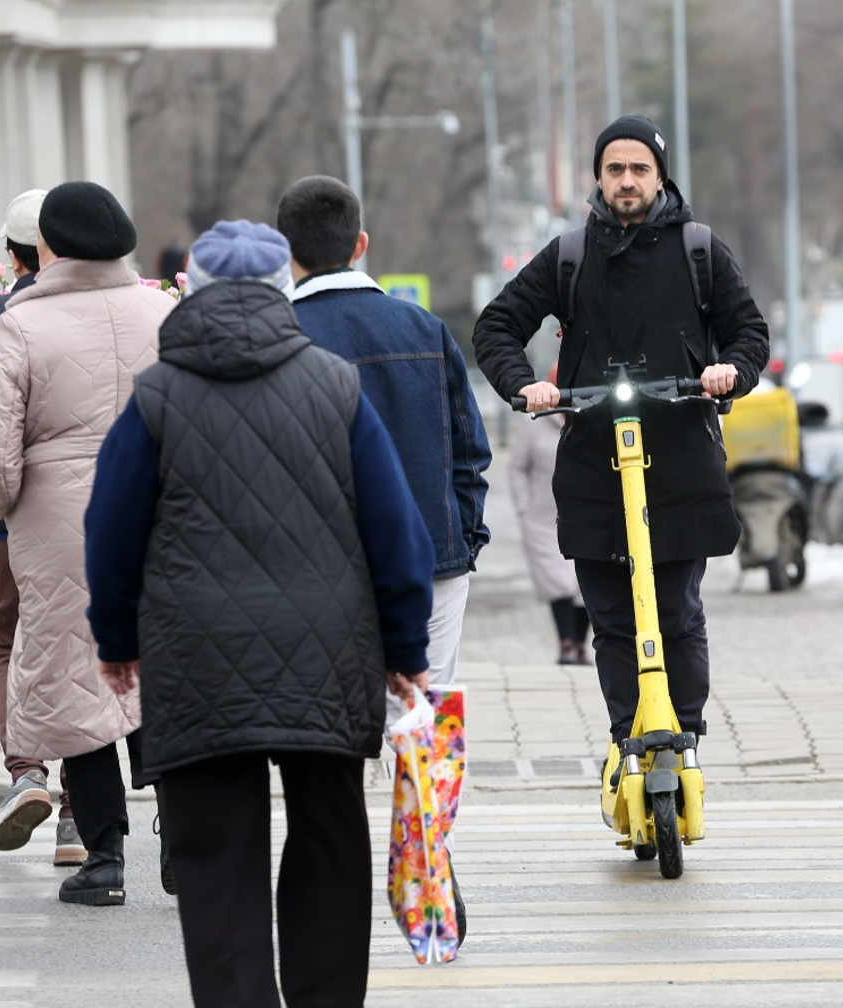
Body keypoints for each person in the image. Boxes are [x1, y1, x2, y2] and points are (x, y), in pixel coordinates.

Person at [83, 220, 434, 1008]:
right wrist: (405, 646)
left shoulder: (156, 396)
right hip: (330, 655)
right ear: (286, 290)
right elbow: (395, 529)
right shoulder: (336, 386)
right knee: (329, 844)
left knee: (216, 857)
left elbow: (109, 531)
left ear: (192, 291)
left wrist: (117, 638)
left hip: (196, 658)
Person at [473, 114, 770, 764]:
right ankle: (626, 741)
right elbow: (496, 326)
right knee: (610, 619)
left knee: (677, 613)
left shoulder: (699, 250)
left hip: (681, 460)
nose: (627, 180)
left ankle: (683, 738)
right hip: (594, 463)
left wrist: (730, 372)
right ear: (599, 178)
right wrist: (525, 387)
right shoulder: (570, 256)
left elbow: (749, 331)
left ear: (660, 175)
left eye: (640, 168)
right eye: (615, 169)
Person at [0, 181, 175, 906]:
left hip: (59, 527)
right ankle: (181, 844)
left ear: (48, 247)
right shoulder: (164, 310)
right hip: (157, 513)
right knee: (155, 672)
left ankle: (104, 860)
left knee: (73, 675)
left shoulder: (22, 327)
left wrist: (8, 506)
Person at [276, 175, 490, 687]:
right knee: (427, 723)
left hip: (318, 571)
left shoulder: (278, 336)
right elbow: (470, 451)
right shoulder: (425, 329)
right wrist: (462, 542)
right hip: (432, 558)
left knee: (333, 730)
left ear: (285, 249)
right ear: (360, 244)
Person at [0, 188, 83, 864]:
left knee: (9, 644)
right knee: (78, 652)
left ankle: (25, 773)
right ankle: (78, 813)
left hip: (5, 526)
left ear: (10, 257)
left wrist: (2, 499)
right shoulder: (103, 316)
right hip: (87, 526)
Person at [512, 365, 591, 664]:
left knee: (584, 584)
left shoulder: (589, 418)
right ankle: (566, 643)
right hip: (543, 517)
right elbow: (517, 467)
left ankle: (581, 645)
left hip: (584, 513)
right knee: (557, 583)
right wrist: (524, 507)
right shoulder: (535, 424)